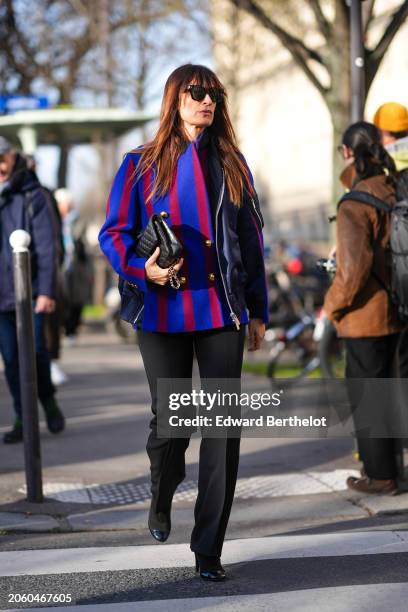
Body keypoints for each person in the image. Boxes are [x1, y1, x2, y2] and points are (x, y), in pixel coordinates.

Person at [99, 64, 268, 581]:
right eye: (196, 92)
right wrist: (141, 267)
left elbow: (251, 242)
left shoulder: (233, 164)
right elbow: (113, 234)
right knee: (172, 423)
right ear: (174, 99)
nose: (206, 101)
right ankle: (162, 487)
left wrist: (257, 310)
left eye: (214, 93)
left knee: (222, 428)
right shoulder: (139, 164)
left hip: (221, 311)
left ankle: (209, 548)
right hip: (163, 309)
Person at [324, 121, 406, 495]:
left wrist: (331, 307)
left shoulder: (355, 202)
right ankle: (396, 469)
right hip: (398, 308)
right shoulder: (394, 189)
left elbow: (353, 270)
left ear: (347, 153)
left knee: (368, 396)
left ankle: (380, 476)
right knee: (389, 392)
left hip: (364, 316)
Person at [0, 136, 65, 443]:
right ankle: (22, 417)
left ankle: (48, 402)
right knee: (11, 359)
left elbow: (47, 245)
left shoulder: (32, 195)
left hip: (31, 291)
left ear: (13, 158)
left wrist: (47, 292)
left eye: (3, 158)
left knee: (36, 353)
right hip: (1, 295)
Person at [55, 188, 92, 345]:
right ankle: (64, 328)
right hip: (61, 264)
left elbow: (86, 242)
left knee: (77, 299)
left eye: (62, 204)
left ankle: (72, 330)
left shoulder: (78, 220)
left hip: (77, 264)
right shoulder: (55, 220)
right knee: (63, 298)